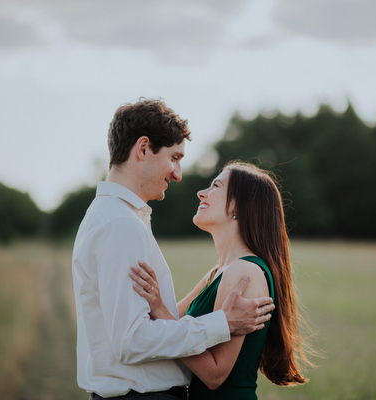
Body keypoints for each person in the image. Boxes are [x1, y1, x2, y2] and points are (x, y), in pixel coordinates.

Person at [72, 99, 275, 400]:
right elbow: (132, 340)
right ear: (143, 149)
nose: (178, 174)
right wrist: (222, 324)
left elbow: (148, 324)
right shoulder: (120, 224)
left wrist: (160, 308)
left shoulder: (118, 218)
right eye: (174, 157)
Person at [131, 161, 312, 399]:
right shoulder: (219, 271)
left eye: (215, 185)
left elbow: (215, 374)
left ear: (238, 205)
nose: (201, 193)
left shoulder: (243, 273)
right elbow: (173, 323)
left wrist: (158, 307)